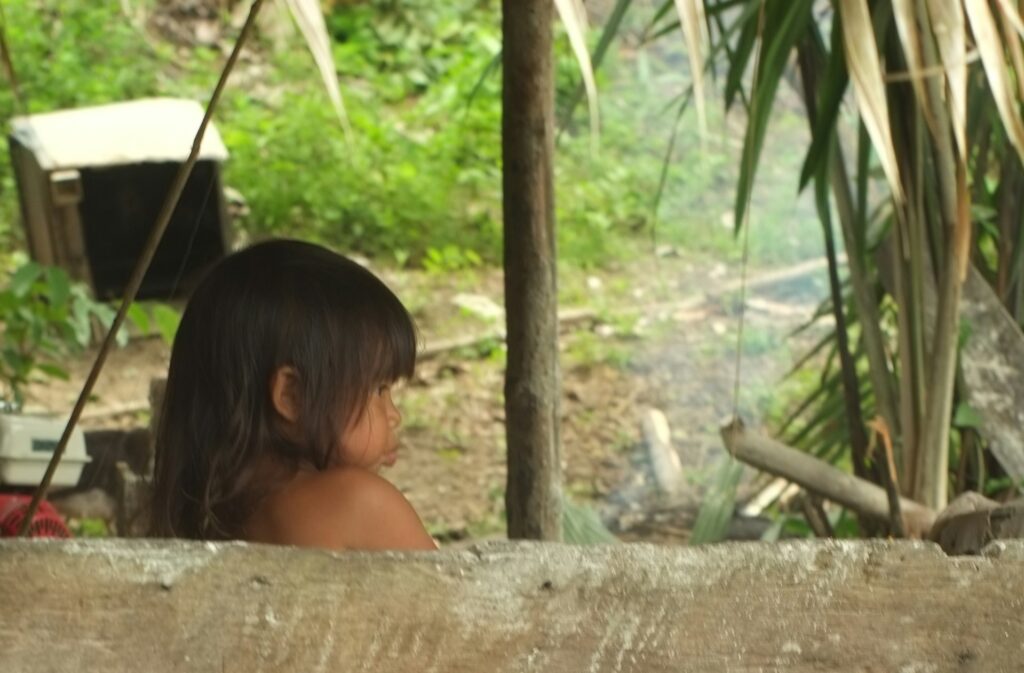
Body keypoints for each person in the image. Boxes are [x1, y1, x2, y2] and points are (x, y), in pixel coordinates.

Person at [149, 239, 436, 550]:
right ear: (291, 396)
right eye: (378, 389)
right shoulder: (358, 502)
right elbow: (458, 596)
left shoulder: (216, 519)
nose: (394, 415)